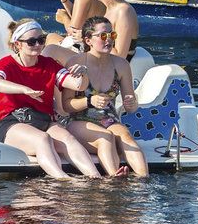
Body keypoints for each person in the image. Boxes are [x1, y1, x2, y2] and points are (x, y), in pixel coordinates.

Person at [0, 19, 103, 179]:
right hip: (12, 122)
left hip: (42, 120)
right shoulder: (6, 64)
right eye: (31, 41)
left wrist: (83, 73)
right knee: (43, 139)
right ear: (18, 44)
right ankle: (63, 179)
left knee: (68, 138)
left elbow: (78, 86)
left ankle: (95, 178)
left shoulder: (49, 64)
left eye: (41, 40)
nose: (38, 44)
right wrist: (23, 89)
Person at [63, 16, 149, 177]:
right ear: (88, 40)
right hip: (79, 121)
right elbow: (67, 105)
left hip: (108, 119)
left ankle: (144, 181)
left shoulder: (121, 65)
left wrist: (132, 104)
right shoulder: (75, 63)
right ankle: (114, 178)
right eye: (103, 36)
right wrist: (89, 101)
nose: (109, 39)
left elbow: (130, 102)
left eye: (112, 35)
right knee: (106, 138)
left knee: (125, 136)